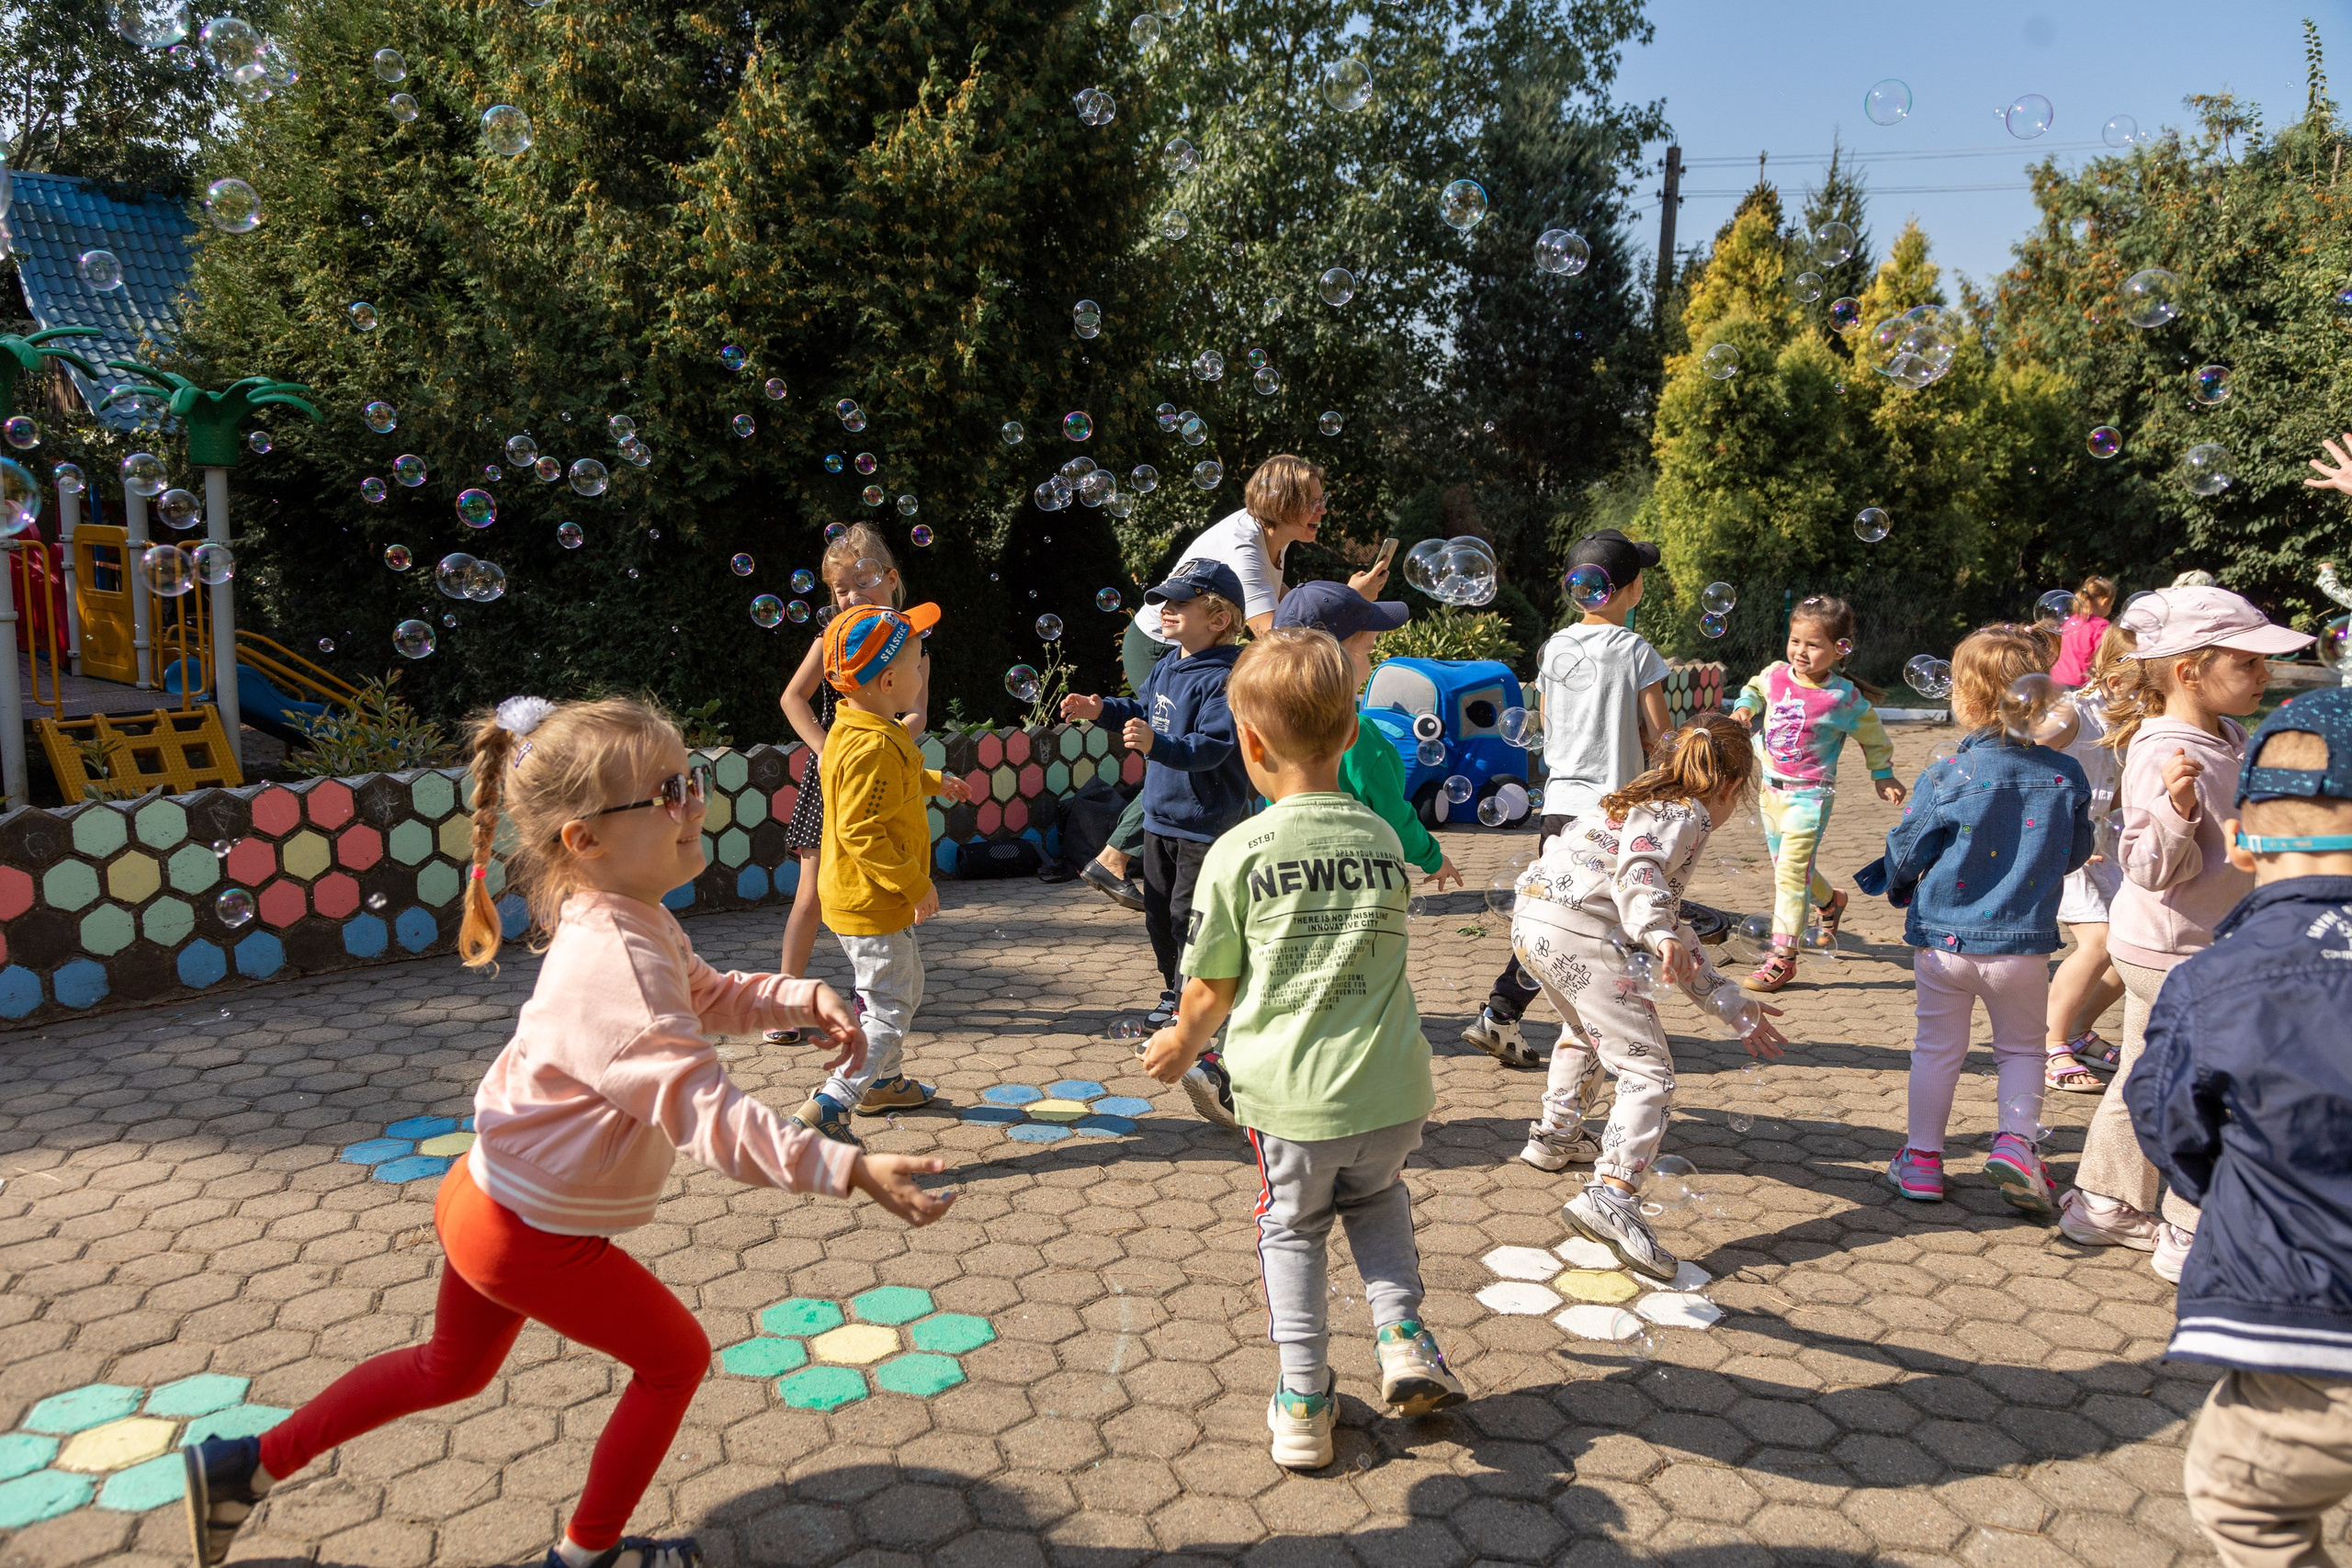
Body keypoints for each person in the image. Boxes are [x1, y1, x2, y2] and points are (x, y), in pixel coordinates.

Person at [179, 696, 954, 1568]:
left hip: (483, 1196)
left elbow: (702, 994)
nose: (694, 806)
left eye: (688, 780)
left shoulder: (624, 916)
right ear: (583, 839)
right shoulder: (614, 954)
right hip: (531, 1235)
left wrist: (793, 995)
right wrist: (844, 1170)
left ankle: (245, 1463)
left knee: (449, 1369)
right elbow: (705, 1111)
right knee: (675, 1360)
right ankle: (587, 1556)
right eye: (666, 793)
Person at [1140, 626, 1466, 1470]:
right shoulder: (1384, 843)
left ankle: (1304, 1398)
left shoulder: (1236, 853)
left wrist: (1181, 1044)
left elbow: (1209, 988)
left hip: (1293, 1103)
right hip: (1392, 1091)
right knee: (1379, 1200)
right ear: (1353, 734)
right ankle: (1403, 1339)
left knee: (1292, 1229)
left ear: (1248, 743)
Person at [2124, 690, 2352, 1567]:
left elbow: (2172, 1122)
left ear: (2247, 838)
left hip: (2310, 1330)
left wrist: (2223, 1188)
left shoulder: (2217, 979)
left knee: (2248, 1505)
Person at [2058, 586, 2311, 1277]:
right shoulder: (2163, 749)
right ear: (2189, 671)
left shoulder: (2225, 734)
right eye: (2249, 662)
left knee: (2146, 1072)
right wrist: (2174, 807)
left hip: (2183, 945)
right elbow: (2146, 865)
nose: (2265, 675)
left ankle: (2104, 1203)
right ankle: (2188, 1231)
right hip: (2181, 951)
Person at [1510, 712, 1792, 1273]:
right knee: (1648, 1071)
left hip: (1533, 920)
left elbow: (1666, 918)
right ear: (1732, 786)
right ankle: (1612, 1194)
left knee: (1584, 1031)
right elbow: (1642, 876)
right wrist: (1658, 932)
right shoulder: (1680, 812)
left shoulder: (1625, 801)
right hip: (1582, 934)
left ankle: (1556, 1136)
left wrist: (1727, 1003)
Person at [1079, 455, 1389, 908]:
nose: (1323, 511)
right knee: (1182, 744)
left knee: (1203, 747)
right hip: (1160, 644)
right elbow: (1274, 635)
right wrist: (1350, 603)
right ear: (1281, 504)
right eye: (1313, 502)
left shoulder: (1274, 542)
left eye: (1322, 500)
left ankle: (1153, 852)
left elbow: (1282, 606)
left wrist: (1346, 602)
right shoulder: (1245, 546)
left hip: (1203, 642)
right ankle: (1118, 856)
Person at [1863, 625, 2095, 1213]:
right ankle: (2017, 1148)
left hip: (1945, 939)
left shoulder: (1949, 774)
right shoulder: (2067, 775)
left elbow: (1909, 845)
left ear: (1961, 700)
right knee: (2021, 1050)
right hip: (2022, 946)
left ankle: (1920, 1162)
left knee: (1937, 1048)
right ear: (2040, 698)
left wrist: (1895, 884)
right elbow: (2073, 855)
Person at [1464, 529, 1671, 1069]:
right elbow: (1661, 736)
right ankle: (1588, 1027)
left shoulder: (1556, 646)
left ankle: (1504, 1012)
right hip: (1613, 809)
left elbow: (1551, 724)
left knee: (1554, 915)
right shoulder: (1635, 651)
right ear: (1632, 588)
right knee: (1602, 919)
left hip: (1559, 801)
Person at [1060, 558, 1253, 1087]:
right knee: (1161, 917)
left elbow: (1211, 748)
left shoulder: (1226, 679)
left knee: (1194, 922)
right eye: (1163, 602)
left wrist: (1157, 745)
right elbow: (1140, 708)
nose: (1164, 611)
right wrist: (1100, 710)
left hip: (1205, 825)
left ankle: (1199, 1012)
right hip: (1160, 819)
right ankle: (1176, 993)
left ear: (1218, 618)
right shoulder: (1169, 665)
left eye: (1178, 603)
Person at [789, 604, 973, 1146]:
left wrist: (936, 781)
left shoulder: (861, 726)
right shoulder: (871, 745)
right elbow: (859, 830)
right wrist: (916, 884)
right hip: (872, 898)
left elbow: (897, 778)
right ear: (889, 679)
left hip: (866, 898)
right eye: (918, 666)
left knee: (901, 986)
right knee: (891, 1006)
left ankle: (884, 1083)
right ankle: (833, 1104)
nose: (921, 677)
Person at [769, 525, 924, 1044]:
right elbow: (794, 698)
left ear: (892, 579)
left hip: (883, 764)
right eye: (841, 589)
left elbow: (917, 709)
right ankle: (785, 1002)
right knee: (810, 894)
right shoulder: (833, 639)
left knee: (878, 879)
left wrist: (894, 739)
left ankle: (871, 992)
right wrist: (824, 748)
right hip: (838, 769)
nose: (853, 595)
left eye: (865, 581)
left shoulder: (909, 640)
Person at [1730, 594, 1905, 993]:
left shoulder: (1843, 698)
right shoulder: (1776, 675)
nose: (1800, 652)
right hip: (1769, 791)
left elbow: (1874, 737)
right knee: (1791, 871)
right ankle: (1831, 902)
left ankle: (1782, 959)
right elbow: (1755, 688)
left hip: (1810, 797)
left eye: (1813, 645)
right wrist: (1744, 706)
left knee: (1790, 877)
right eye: (1795, 641)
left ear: (1839, 649)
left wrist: (1883, 774)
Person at [1271, 579, 1463, 894]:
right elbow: (1394, 816)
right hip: (1358, 884)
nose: (1373, 662)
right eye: (1369, 650)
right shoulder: (1359, 735)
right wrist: (1433, 857)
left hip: (1294, 878)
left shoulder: (1272, 732)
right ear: (1338, 660)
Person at [2046, 625, 2134, 1090]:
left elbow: (2116, 787)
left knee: (2132, 948)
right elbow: (2030, 761)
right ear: (2117, 680)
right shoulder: (2073, 715)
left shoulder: (2132, 718)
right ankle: (2051, 1042)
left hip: (2100, 844)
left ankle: (2079, 1030)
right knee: (2098, 941)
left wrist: (2115, 836)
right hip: (2065, 843)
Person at [2050, 574, 2117, 688]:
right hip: (2080, 683)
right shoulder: (2101, 626)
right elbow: (2103, 656)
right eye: (2112, 604)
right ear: (2105, 602)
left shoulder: (2071, 620)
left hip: (2055, 678)